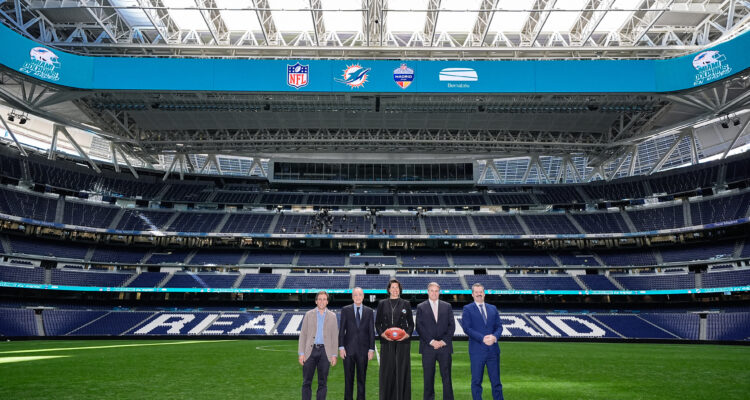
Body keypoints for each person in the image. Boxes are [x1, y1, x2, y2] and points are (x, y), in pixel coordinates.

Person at [461, 283, 504, 400]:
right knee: (476, 382)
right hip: (477, 351)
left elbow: (499, 327)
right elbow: (467, 328)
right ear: (472, 294)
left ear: (484, 293)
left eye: (481, 292)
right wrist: (483, 338)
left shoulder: (493, 308)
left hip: (493, 351)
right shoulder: (467, 309)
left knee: (496, 382)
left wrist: (494, 337)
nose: (479, 294)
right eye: (476, 292)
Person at [375, 278, 414, 400]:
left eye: (397, 288)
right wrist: (382, 334)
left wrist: (407, 334)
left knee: (402, 371)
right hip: (387, 342)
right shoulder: (382, 303)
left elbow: (411, 324)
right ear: (389, 289)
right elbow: (377, 324)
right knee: (387, 372)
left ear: (400, 290)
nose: (395, 290)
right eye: (393, 287)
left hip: (403, 343)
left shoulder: (406, 303)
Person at [415, 282, 455, 400]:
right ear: (428, 292)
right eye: (431, 290)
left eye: (436, 291)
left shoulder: (447, 306)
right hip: (428, 348)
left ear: (439, 292)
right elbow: (419, 327)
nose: (434, 293)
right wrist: (432, 341)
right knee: (428, 378)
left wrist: (443, 342)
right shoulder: (421, 307)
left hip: (445, 348)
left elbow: (451, 326)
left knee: (447, 378)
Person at [298, 291, 339, 400]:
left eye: (324, 299)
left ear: (327, 302)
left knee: (323, 383)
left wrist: (334, 354)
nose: (322, 301)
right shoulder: (308, 314)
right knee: (306, 382)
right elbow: (303, 334)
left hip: (325, 352)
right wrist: (301, 353)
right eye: (319, 299)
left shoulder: (333, 316)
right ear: (316, 301)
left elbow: (335, 336)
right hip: (309, 352)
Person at [339, 287, 376, 400]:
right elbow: (341, 330)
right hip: (348, 351)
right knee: (348, 380)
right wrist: (341, 347)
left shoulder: (369, 311)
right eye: (355, 295)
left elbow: (371, 332)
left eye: (360, 294)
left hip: (363, 351)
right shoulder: (345, 310)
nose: (358, 297)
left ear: (363, 296)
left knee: (361, 380)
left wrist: (371, 349)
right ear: (352, 297)